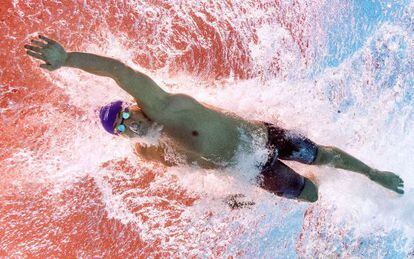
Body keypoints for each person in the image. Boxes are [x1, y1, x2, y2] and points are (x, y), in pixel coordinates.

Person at [24, 35, 404, 205]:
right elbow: (196, 168)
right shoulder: (150, 153)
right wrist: (232, 196)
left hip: (261, 138)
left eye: (125, 115)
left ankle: (374, 174)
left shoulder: (162, 104)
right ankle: (319, 182)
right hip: (254, 170)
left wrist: (67, 58)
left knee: (318, 154)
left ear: (133, 106)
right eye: (120, 128)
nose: (129, 125)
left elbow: (117, 69)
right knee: (312, 194)